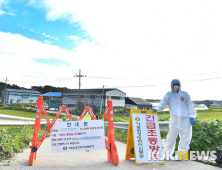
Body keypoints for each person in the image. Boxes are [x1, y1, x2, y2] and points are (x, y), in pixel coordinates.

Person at [152, 79, 196, 160]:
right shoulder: (169, 95)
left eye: (177, 84)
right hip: (174, 120)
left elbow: (190, 106)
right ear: (171, 86)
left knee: (185, 137)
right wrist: (157, 109)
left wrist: (192, 116)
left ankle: (181, 156)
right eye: (174, 85)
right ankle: (167, 155)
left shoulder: (185, 94)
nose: (176, 86)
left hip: (185, 120)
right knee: (171, 137)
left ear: (179, 85)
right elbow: (163, 103)